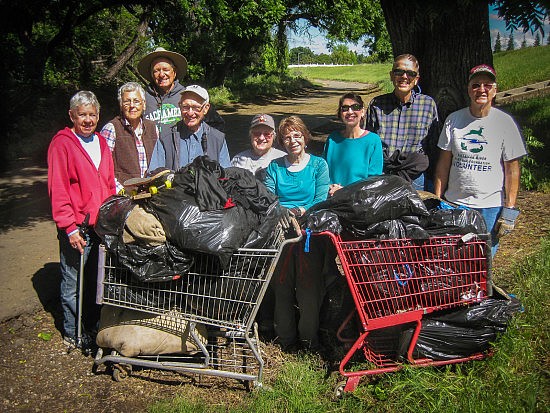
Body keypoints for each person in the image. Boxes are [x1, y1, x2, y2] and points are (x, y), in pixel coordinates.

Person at [47, 91, 116, 350]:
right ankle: (72, 331)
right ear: (72, 116)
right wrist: (69, 227)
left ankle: (90, 324)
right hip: (77, 226)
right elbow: (59, 187)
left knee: (95, 281)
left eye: (92, 114)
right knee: (73, 281)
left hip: (99, 226)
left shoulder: (100, 142)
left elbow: (108, 184)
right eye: (82, 115)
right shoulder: (62, 143)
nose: (88, 119)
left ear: (98, 116)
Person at [434, 64, 526, 256]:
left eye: (487, 85)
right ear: (468, 89)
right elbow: (443, 164)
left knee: (483, 262)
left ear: (495, 90)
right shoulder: (454, 120)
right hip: (455, 203)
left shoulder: (505, 123)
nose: (481, 90)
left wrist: (509, 210)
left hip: (489, 207)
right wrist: (438, 199)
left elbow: (512, 170)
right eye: (476, 85)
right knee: (454, 260)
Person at [264, 116, 330, 351]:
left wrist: (300, 210)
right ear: (281, 141)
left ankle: (309, 341)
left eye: (297, 135)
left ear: (305, 137)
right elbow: (269, 196)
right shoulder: (275, 166)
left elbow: (321, 197)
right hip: (281, 232)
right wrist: (281, 211)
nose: (293, 140)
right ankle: (285, 339)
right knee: (281, 284)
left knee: (308, 288)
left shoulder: (318, 165)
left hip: (309, 231)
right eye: (287, 137)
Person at [365, 54, 440, 191]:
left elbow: (433, 146)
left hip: (415, 178)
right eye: (399, 71)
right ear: (391, 75)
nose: (404, 77)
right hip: (383, 175)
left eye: (410, 73)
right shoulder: (377, 104)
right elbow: (368, 144)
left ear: (416, 79)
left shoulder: (428, 104)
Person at [137, 47, 225, 144]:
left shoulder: (188, 95)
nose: (161, 74)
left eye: (165, 69)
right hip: (153, 154)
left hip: (182, 153)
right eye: (156, 70)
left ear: (174, 72)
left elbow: (217, 124)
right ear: (151, 74)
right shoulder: (142, 98)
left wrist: (204, 145)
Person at [147, 85, 231, 170]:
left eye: (196, 107)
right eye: (185, 107)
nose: (190, 113)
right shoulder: (166, 137)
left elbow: (225, 177)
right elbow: (154, 174)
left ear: (206, 108)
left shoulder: (217, 139)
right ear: (180, 106)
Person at [100, 82, 158, 193]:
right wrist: (120, 190)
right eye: (127, 101)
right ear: (121, 105)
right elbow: (103, 168)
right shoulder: (111, 128)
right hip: (123, 196)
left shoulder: (152, 128)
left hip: (150, 194)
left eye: (136, 101)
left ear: (144, 104)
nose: (132, 106)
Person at [324, 93, 384, 196]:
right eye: (345, 108)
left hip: (359, 200)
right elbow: (322, 172)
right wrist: (330, 187)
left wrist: (345, 191)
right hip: (331, 198)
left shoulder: (373, 140)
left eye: (355, 107)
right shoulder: (332, 139)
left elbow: (374, 181)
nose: (350, 112)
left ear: (362, 111)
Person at [230, 113, 285, 179]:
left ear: (273, 136)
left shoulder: (283, 159)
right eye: (257, 133)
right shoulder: (238, 160)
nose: (261, 138)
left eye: (267, 134)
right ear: (250, 135)